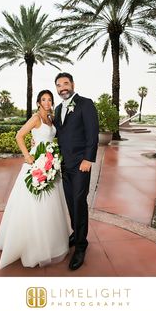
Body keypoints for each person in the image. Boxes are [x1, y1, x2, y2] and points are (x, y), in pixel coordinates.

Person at [0, 90, 70, 269]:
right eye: (43, 99)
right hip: (37, 161)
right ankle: (33, 246)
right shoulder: (35, 118)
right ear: (38, 102)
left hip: (51, 161)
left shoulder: (52, 119)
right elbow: (19, 136)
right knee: (35, 200)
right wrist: (28, 156)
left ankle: (52, 242)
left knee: (51, 201)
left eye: (49, 99)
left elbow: (53, 137)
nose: (47, 102)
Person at [54, 72, 99, 270]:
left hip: (81, 164)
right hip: (64, 166)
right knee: (71, 203)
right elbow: (58, 134)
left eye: (65, 83)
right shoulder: (57, 109)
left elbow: (92, 132)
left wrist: (88, 159)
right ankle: (76, 232)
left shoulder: (85, 103)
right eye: (59, 85)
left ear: (72, 84)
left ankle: (81, 246)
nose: (62, 87)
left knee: (79, 203)